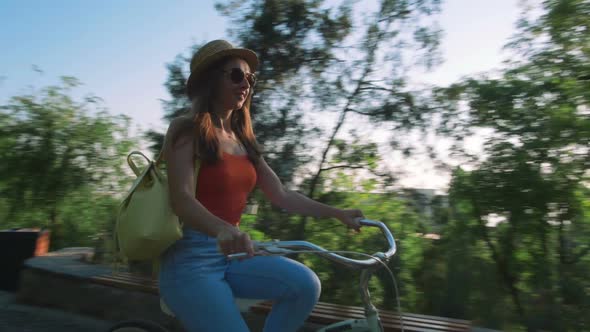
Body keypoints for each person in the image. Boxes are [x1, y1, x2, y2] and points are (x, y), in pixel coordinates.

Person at [158, 39, 365, 332]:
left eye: (250, 78)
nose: (246, 84)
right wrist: (223, 229)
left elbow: (281, 195)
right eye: (236, 75)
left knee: (305, 285)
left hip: (234, 255)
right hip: (191, 261)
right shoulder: (187, 130)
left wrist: (337, 213)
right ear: (210, 80)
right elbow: (181, 199)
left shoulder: (244, 140)